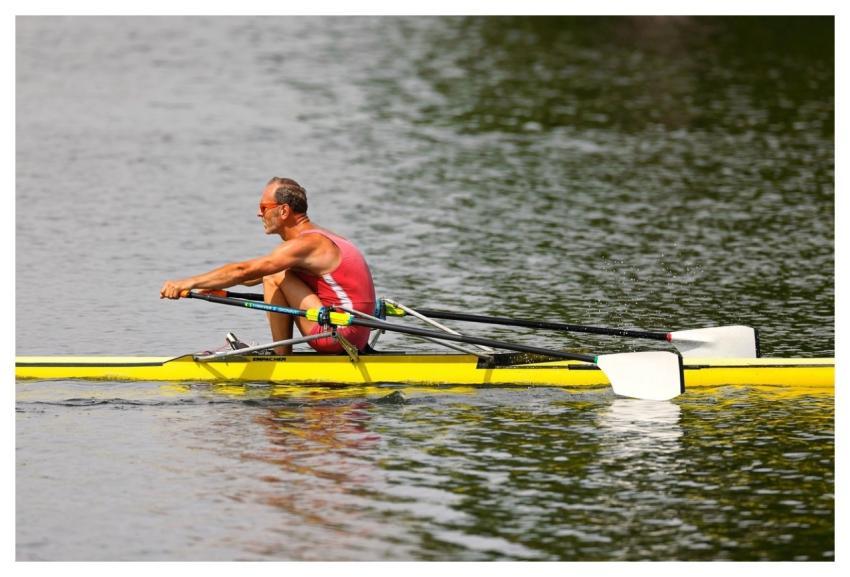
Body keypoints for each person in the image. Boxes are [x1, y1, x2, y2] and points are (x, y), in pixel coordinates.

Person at [159, 177, 376, 355]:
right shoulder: (323, 237)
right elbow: (249, 277)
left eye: (264, 207)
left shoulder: (308, 244)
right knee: (274, 274)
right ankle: (282, 354)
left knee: (276, 275)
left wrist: (187, 282)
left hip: (338, 334)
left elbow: (244, 271)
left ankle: (281, 357)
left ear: (283, 211)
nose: (259, 213)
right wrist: (216, 286)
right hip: (355, 333)